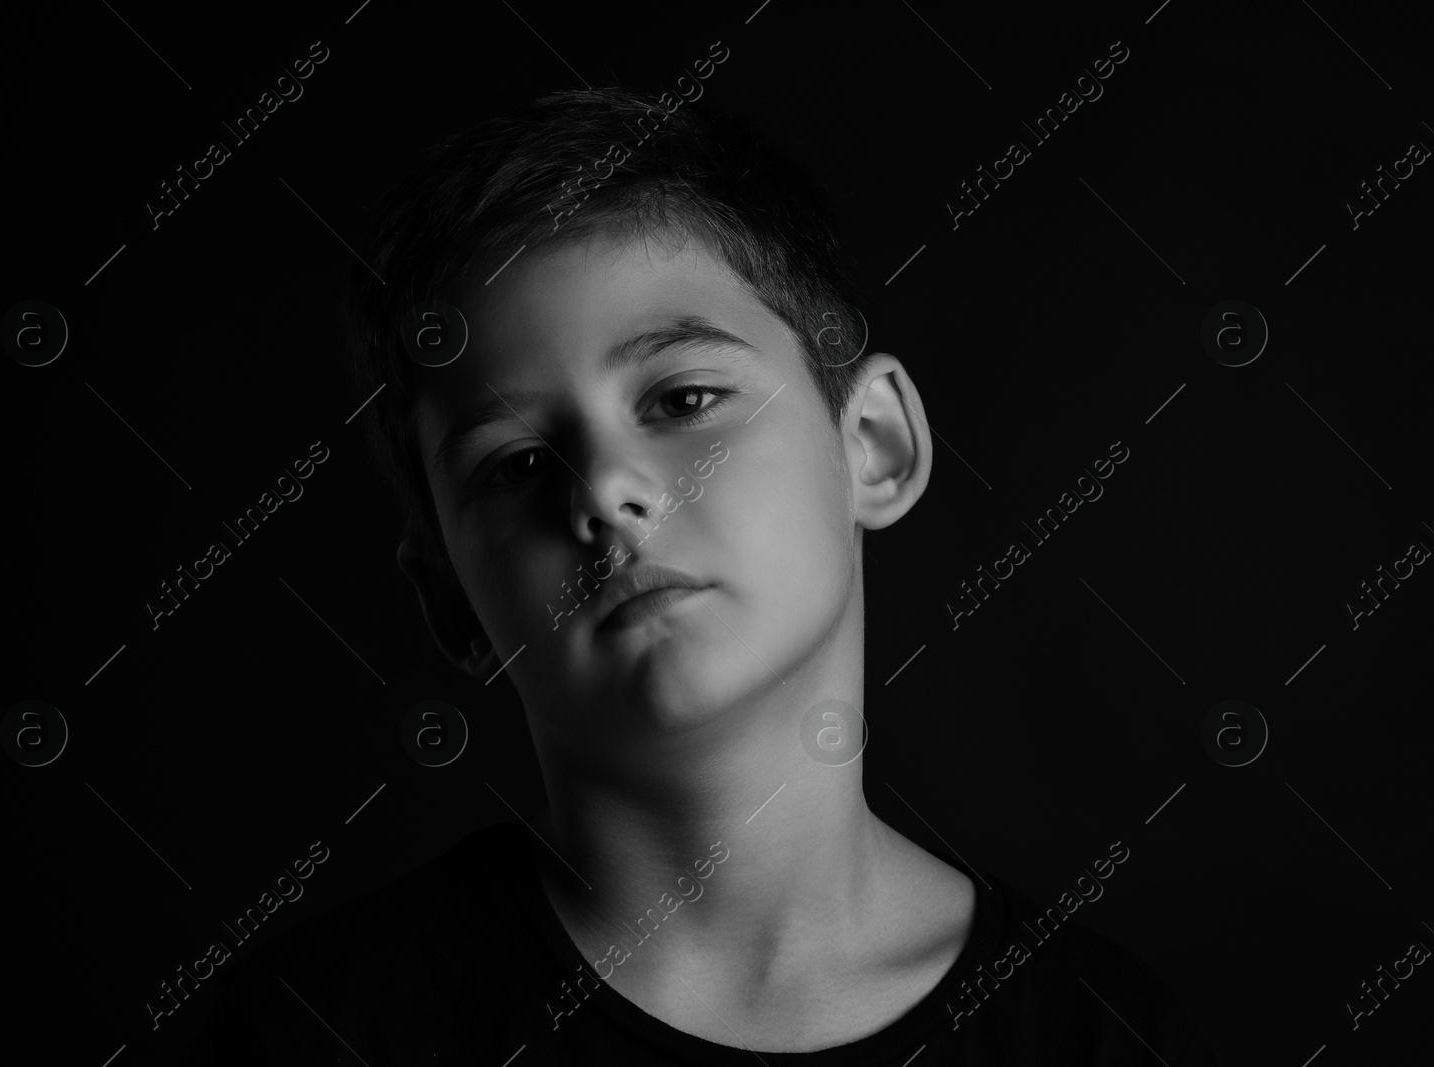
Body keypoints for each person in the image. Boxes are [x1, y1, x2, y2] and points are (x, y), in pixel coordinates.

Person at [185, 85, 1219, 1065]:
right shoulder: (319, 1030)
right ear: (448, 595)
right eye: (517, 464)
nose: (605, 494)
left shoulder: (1098, 1034)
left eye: (680, 400)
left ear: (871, 442)